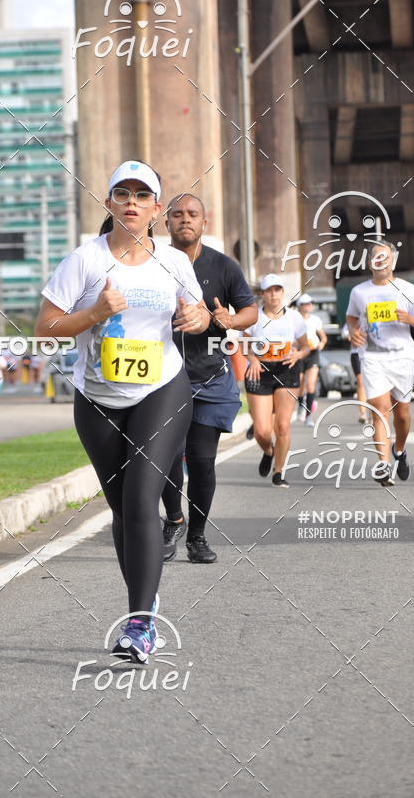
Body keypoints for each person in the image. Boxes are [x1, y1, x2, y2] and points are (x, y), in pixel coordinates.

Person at [34, 160, 210, 663]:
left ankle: (140, 624)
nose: (131, 201)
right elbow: (45, 328)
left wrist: (196, 317)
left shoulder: (174, 262)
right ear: (109, 203)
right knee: (122, 511)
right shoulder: (84, 262)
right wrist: (93, 314)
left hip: (162, 388)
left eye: (142, 195)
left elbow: (196, 315)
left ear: (156, 209)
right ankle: (145, 596)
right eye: (122, 193)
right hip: (98, 399)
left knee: (140, 500)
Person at [160, 193, 257, 563]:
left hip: (210, 379)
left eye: (193, 214)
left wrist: (230, 320)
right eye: (178, 214)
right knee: (166, 457)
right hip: (163, 379)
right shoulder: (153, 262)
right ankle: (174, 520)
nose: (185, 219)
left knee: (201, 461)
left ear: (205, 222)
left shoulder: (224, 266)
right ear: (166, 222)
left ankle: (197, 537)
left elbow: (249, 309)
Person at [346, 240, 414, 485]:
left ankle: (400, 450)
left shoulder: (408, 289)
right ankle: (383, 464)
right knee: (379, 406)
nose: (380, 261)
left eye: (385, 257)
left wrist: (410, 319)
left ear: (392, 261)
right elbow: (351, 317)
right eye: (376, 257)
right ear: (369, 262)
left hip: (402, 356)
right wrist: (354, 331)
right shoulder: (359, 292)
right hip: (372, 356)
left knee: (402, 414)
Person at [244, 274, 310, 487]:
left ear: (283, 292)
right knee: (262, 431)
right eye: (269, 290)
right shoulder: (254, 317)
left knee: (282, 425)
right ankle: (269, 450)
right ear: (262, 294)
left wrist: (298, 355)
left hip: (286, 370)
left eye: (278, 289)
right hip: (259, 371)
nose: (274, 294)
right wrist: (252, 359)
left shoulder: (294, 317)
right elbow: (243, 344)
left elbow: (306, 345)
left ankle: (279, 471)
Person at [295, 294, 327, 426]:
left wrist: (322, 344)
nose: (309, 306)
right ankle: (301, 405)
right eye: (306, 304)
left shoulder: (315, 319)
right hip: (299, 353)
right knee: (300, 386)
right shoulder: (295, 319)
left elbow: (323, 337)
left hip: (313, 353)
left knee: (311, 385)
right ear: (300, 306)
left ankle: (308, 417)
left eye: (310, 304)